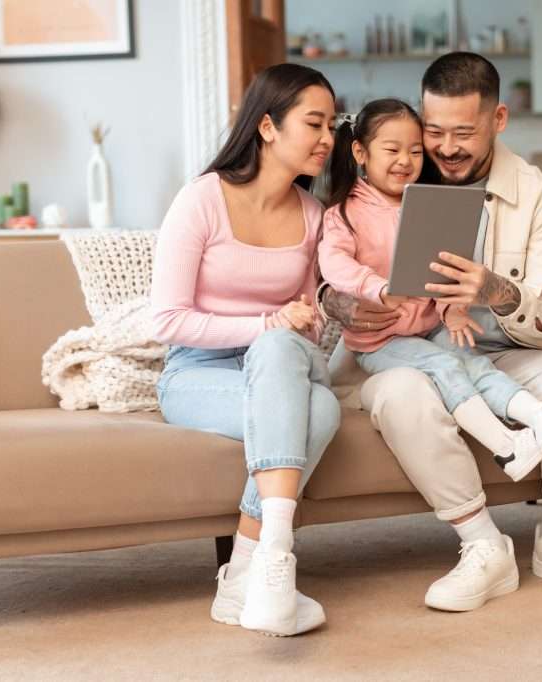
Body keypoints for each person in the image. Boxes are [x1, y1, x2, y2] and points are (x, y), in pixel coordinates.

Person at [319, 53, 542, 612]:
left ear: (498, 119)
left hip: (509, 350)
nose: (443, 149)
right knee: (407, 393)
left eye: (464, 133)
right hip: (404, 354)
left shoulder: (540, 196)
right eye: (433, 132)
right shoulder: (390, 173)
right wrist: (338, 303)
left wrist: (492, 290)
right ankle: (483, 545)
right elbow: (322, 267)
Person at [150, 63, 340, 636]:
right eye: (314, 123)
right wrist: (265, 322)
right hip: (197, 374)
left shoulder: (313, 217)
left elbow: (304, 328)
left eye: (333, 125)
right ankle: (257, 571)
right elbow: (167, 320)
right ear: (266, 126)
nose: (328, 139)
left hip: (278, 365)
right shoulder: (201, 200)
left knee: (282, 351)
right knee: (323, 409)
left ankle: (260, 568)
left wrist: (320, 315)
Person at [318, 97, 542, 484]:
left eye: (414, 151)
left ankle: (538, 417)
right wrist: (376, 288)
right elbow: (335, 265)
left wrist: (451, 311)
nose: (405, 160)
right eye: (392, 150)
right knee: (444, 366)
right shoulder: (344, 213)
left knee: (470, 359)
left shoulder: (424, 205)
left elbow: (437, 268)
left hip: (428, 325)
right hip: (379, 340)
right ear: (360, 152)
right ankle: (507, 448)